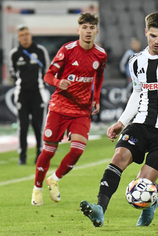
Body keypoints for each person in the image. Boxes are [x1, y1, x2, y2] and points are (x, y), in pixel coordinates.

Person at [80, 10, 158, 227]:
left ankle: (152, 203)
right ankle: (99, 209)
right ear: (145, 33)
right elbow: (137, 93)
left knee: (141, 185)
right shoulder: (136, 61)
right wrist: (121, 122)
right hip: (141, 124)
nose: (157, 41)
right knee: (119, 157)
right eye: (153, 36)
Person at [31, 12, 107, 206]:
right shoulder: (67, 49)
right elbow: (48, 75)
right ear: (78, 30)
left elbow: (98, 77)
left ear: (96, 31)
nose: (88, 31)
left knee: (78, 149)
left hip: (82, 109)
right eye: (85, 27)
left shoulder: (100, 54)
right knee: (48, 151)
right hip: (60, 106)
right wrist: (58, 82)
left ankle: (54, 179)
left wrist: (96, 97)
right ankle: (37, 189)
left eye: (91, 28)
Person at [8, 25, 50, 165]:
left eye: (27, 34)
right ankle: (22, 156)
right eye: (22, 35)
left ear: (30, 35)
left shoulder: (40, 51)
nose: (25, 37)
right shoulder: (14, 54)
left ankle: (40, 155)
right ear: (18, 38)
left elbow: (48, 69)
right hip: (22, 94)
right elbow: (12, 73)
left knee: (39, 126)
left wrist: (43, 85)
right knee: (23, 126)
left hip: (38, 93)